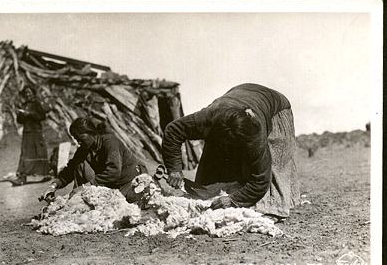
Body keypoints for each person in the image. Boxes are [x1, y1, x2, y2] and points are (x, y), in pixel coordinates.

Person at [162, 83, 300, 219]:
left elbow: (260, 181)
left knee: (273, 162)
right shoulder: (206, 120)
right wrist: (174, 169)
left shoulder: (256, 134)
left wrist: (232, 200)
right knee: (211, 175)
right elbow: (173, 130)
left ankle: (272, 208)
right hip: (233, 101)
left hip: (275, 106)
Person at [42, 117, 147, 202]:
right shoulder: (84, 149)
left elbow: (113, 172)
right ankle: (79, 200)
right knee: (79, 165)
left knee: (126, 202)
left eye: (81, 138)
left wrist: (85, 187)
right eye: (76, 139)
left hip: (129, 180)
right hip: (112, 184)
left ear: (92, 133)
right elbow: (69, 170)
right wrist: (53, 186)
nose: (79, 142)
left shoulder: (110, 142)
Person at [10, 87, 50, 186]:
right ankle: (22, 177)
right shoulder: (24, 105)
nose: (27, 94)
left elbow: (42, 116)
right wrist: (20, 115)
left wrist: (30, 114)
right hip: (27, 132)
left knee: (39, 152)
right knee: (25, 153)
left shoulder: (36, 104)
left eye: (29, 92)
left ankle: (45, 174)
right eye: (26, 93)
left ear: (33, 93)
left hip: (36, 131)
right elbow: (19, 121)